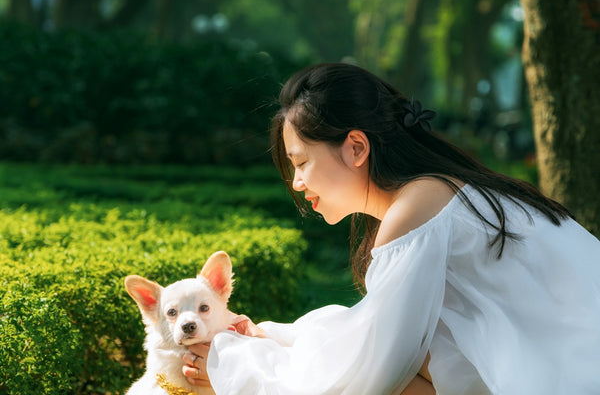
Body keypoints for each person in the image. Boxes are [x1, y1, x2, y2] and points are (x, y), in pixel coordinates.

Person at [182, 62, 600, 394]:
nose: (296, 182)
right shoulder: (435, 191)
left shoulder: (416, 209)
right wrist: (265, 338)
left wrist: (232, 365)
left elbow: (372, 375)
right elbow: (369, 337)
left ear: (356, 147)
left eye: (302, 162)